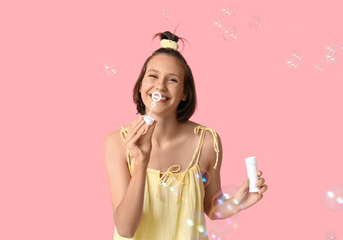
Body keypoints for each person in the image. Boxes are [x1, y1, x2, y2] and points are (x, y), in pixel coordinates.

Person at [104, 31, 268, 240]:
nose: (160, 86)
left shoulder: (207, 141)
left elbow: (210, 206)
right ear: (141, 84)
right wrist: (141, 161)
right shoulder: (117, 143)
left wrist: (238, 202)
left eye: (172, 80)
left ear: (184, 93)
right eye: (153, 76)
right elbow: (126, 229)